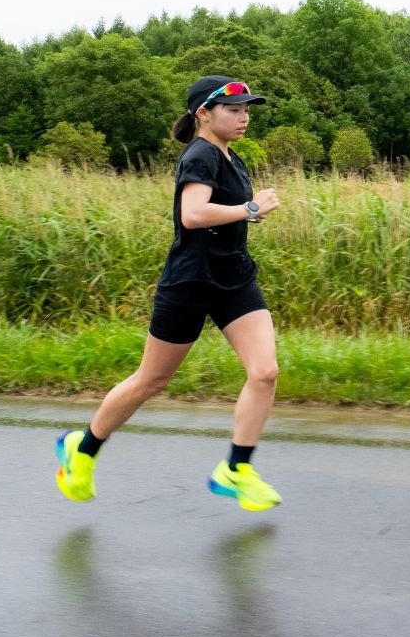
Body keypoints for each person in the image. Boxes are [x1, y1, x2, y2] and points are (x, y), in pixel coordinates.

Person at [54, 75, 284, 512]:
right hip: (191, 282)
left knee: (265, 371)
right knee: (151, 381)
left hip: (234, 279)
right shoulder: (199, 155)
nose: (244, 117)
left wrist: (243, 212)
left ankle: (235, 470)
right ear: (204, 113)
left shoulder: (231, 158)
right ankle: (81, 450)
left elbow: (221, 215)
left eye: (246, 109)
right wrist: (250, 209)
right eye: (233, 110)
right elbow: (193, 213)